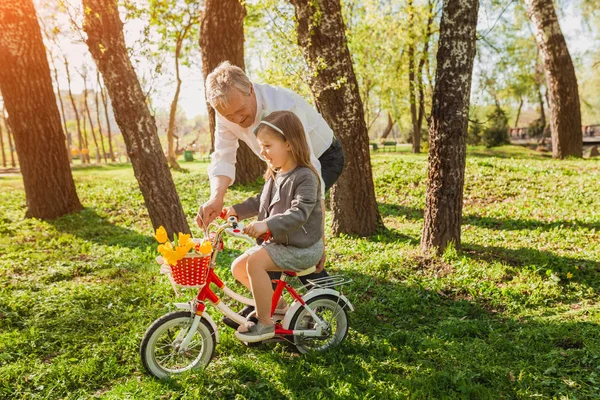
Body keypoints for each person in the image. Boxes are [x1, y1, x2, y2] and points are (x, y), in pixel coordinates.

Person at [196, 61, 344, 286]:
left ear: (251, 89)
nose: (236, 120)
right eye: (229, 116)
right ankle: (270, 299)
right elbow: (223, 155)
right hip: (283, 163)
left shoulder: (284, 106)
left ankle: (323, 292)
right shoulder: (225, 110)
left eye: (240, 112)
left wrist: (318, 243)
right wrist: (217, 197)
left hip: (322, 156)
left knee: (292, 219)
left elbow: (311, 168)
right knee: (271, 213)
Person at [221, 111, 323, 342]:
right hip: (283, 242)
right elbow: (260, 201)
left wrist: (266, 224)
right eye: (260, 146)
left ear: (289, 144)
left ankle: (265, 324)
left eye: (267, 145)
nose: (262, 152)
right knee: (239, 267)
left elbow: (299, 212)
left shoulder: (305, 176)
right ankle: (276, 307)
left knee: (255, 263)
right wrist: (236, 210)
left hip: (302, 247)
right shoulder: (275, 174)